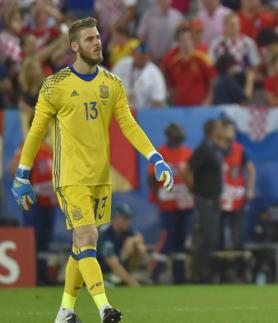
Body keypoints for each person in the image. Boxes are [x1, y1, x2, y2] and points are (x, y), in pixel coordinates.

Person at [10, 17, 174, 323]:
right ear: (74, 47)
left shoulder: (111, 84)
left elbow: (129, 125)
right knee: (87, 238)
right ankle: (104, 308)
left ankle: (65, 312)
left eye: (98, 37)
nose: (97, 42)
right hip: (70, 178)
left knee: (80, 247)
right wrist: (22, 174)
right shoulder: (55, 85)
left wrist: (156, 158)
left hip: (100, 179)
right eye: (89, 39)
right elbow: (35, 132)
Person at [10, 124, 58, 285]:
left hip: (49, 202)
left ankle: (43, 274)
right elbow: (13, 168)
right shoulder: (27, 146)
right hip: (34, 201)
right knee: (33, 238)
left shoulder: (49, 149)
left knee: (45, 239)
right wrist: (27, 184)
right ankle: (32, 275)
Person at [148, 123, 194, 284]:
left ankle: (179, 277)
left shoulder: (187, 152)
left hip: (185, 203)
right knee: (167, 239)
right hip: (168, 204)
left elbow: (191, 176)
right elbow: (151, 178)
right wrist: (157, 197)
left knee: (182, 240)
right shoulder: (161, 153)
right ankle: (155, 274)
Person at [188, 119, 228, 283]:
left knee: (213, 238)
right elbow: (187, 169)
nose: (223, 129)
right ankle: (199, 274)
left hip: (214, 199)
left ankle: (207, 272)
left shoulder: (214, 149)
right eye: (219, 126)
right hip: (204, 199)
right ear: (212, 131)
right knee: (207, 237)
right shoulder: (203, 149)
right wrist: (194, 191)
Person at [220, 119, 255, 250]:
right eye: (228, 129)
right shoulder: (215, 148)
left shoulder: (239, 149)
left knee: (238, 233)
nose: (232, 133)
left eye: (233, 130)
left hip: (236, 196)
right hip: (219, 197)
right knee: (218, 234)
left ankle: (239, 265)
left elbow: (251, 168)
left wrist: (250, 189)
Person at [97, 204, 148, 287]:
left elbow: (139, 237)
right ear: (116, 218)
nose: (128, 221)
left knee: (140, 248)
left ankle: (122, 277)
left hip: (119, 259)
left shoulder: (127, 228)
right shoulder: (105, 233)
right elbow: (112, 262)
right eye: (125, 218)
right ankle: (117, 279)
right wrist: (133, 283)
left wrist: (131, 240)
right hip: (103, 266)